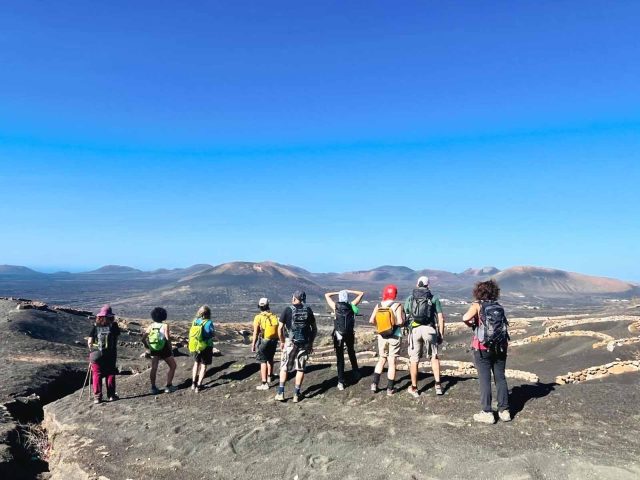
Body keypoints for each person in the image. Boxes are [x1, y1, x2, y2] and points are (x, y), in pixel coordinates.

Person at [462, 279, 511, 424]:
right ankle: (504, 411)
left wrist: (471, 324)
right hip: (500, 347)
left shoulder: (477, 305)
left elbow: (465, 317)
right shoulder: (498, 306)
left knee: (484, 379)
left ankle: (487, 412)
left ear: (478, 292)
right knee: (500, 378)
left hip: (483, 347)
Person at [404, 276, 446, 397]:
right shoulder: (433, 298)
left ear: (417, 284)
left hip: (415, 330)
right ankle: (438, 385)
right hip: (429, 329)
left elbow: (406, 313)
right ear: (428, 285)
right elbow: (440, 317)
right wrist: (441, 334)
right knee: (434, 357)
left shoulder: (411, 297)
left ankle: (414, 388)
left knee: (414, 360)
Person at [275, 290, 317, 403]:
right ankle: (296, 394)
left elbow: (279, 328)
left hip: (290, 342)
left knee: (284, 367)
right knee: (300, 368)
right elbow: (314, 329)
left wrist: (282, 341)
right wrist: (311, 343)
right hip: (304, 343)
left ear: (294, 298)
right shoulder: (308, 310)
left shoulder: (287, 310)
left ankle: (281, 392)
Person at [324, 289, 365, 390]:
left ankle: (341, 382)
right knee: (351, 351)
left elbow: (326, 295)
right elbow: (361, 293)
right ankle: (356, 372)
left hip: (338, 335)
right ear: (347, 298)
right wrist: (349, 291)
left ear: (339, 298)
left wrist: (337, 292)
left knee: (340, 357)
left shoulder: (335, 306)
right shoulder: (351, 305)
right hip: (349, 334)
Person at [369, 285, 405, 396]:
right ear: (395, 294)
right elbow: (399, 322)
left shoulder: (379, 305)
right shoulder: (397, 305)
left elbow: (371, 320)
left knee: (381, 359)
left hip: (382, 336)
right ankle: (390, 389)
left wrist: (381, 326)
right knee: (392, 362)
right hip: (394, 336)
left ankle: (374, 384)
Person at [87, 305, 120, 404]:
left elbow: (90, 341)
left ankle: (97, 397)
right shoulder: (114, 325)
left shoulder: (95, 325)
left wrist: (92, 351)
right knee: (110, 373)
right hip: (110, 354)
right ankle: (111, 396)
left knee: (96, 374)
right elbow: (116, 339)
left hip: (96, 354)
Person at [143, 307, 178, 395]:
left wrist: (148, 347)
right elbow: (167, 338)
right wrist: (170, 349)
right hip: (164, 348)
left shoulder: (151, 326)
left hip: (154, 349)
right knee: (173, 366)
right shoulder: (165, 325)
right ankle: (168, 386)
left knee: (154, 368)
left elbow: (143, 338)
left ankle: (153, 388)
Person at [251, 297, 280, 390]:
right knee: (270, 358)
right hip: (274, 340)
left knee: (262, 361)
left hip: (264, 341)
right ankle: (270, 376)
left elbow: (255, 332)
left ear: (259, 306)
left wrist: (253, 344)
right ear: (268, 305)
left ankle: (264, 383)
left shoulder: (258, 317)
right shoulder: (274, 316)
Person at [190, 305, 215, 393]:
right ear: (208, 313)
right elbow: (211, 334)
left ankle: (193, 384)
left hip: (196, 346)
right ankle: (199, 385)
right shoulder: (209, 322)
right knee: (204, 365)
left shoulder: (195, 321)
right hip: (206, 346)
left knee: (196, 363)